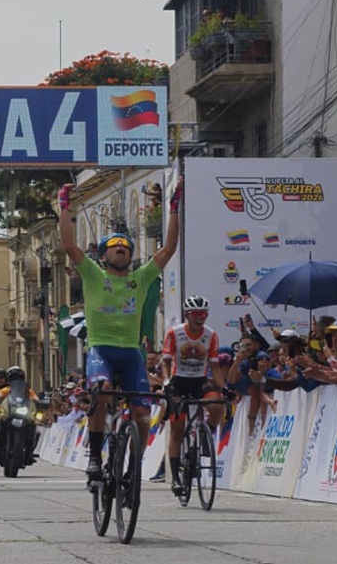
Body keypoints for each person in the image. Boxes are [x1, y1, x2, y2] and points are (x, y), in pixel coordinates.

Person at [58, 177, 182, 479]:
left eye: (125, 246)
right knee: (101, 392)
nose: (120, 248)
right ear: (103, 256)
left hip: (132, 354)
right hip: (101, 349)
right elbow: (69, 245)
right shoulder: (92, 274)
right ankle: (96, 456)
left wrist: (174, 208)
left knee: (141, 415)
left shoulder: (139, 279)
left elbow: (167, 249)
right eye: (113, 247)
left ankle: (132, 466)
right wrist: (64, 207)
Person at [161, 295, 226, 495]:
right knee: (177, 430)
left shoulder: (211, 335)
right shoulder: (175, 333)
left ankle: (207, 434)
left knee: (217, 404)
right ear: (187, 315)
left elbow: (214, 366)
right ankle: (175, 478)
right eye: (196, 314)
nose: (200, 317)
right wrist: (165, 383)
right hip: (178, 380)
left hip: (200, 379)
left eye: (203, 313)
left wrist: (224, 388)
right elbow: (165, 362)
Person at [0, 366, 40, 465]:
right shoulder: (6, 389)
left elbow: (35, 398)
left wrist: (39, 402)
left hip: (23, 414)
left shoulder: (27, 390)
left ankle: (29, 451)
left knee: (33, 425)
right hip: (9, 414)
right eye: (13, 377)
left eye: (18, 377)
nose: (16, 379)